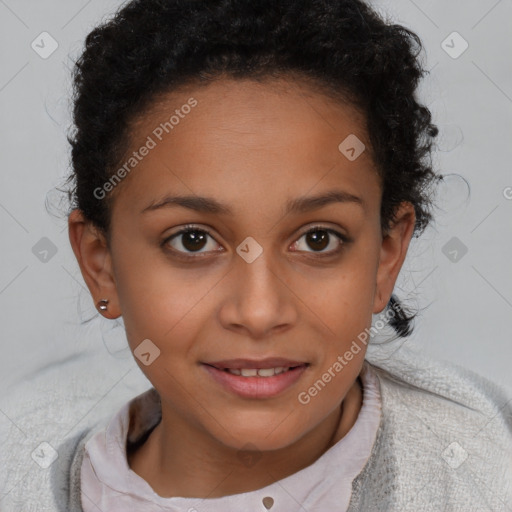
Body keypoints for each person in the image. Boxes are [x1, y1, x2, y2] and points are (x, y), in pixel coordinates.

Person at [31, 0, 512, 510]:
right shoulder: (21, 480)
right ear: (100, 264)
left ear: (385, 257)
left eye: (318, 239)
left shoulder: (484, 478)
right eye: (192, 240)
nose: (259, 312)